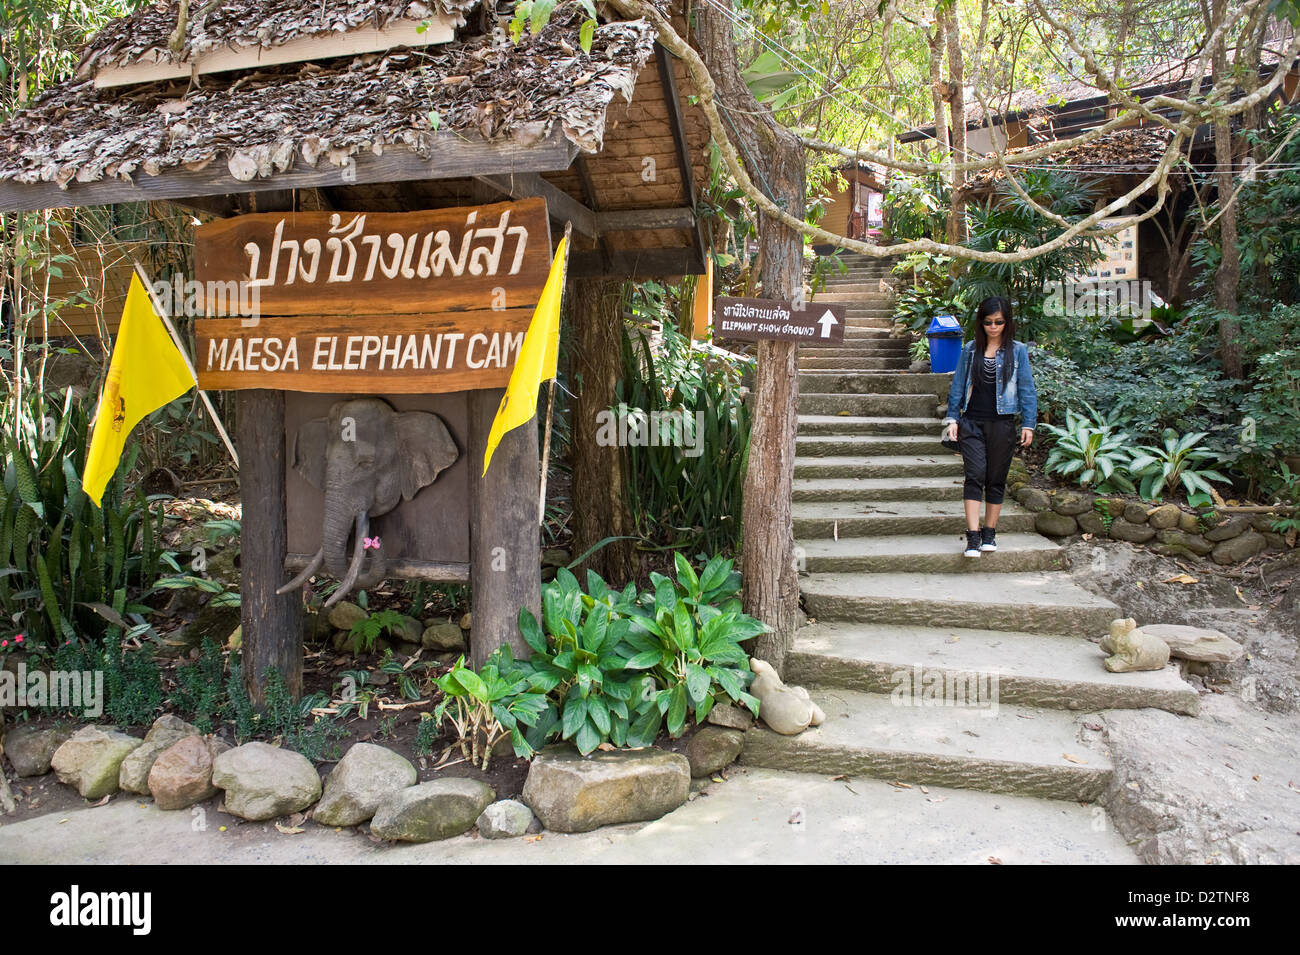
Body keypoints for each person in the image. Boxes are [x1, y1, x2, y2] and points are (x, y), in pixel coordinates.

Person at [941, 296, 1038, 558]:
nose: (993, 327)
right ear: (981, 322)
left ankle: (989, 532)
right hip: (971, 422)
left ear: (1007, 323)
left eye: (999, 322)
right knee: (975, 475)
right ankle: (972, 537)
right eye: (988, 322)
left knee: (996, 480)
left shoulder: (1017, 351)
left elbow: (1027, 389)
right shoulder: (971, 349)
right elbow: (958, 386)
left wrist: (1029, 423)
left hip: (1003, 423)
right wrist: (952, 419)